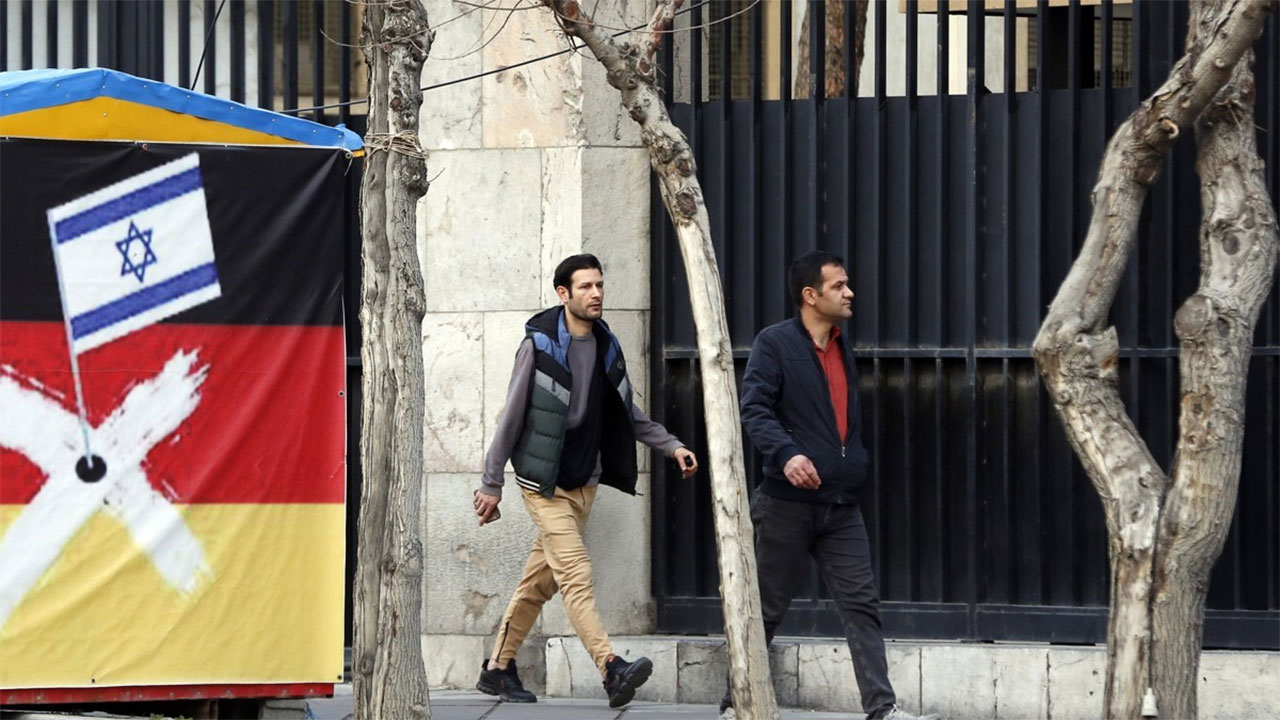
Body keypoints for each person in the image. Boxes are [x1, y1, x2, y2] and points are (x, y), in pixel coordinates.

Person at [473, 253, 699, 709]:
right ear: (564, 294)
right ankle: (611, 668)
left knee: (540, 581)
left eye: (599, 285)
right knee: (575, 574)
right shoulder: (539, 347)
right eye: (586, 287)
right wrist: (491, 483)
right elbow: (511, 416)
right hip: (543, 482)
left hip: (584, 482)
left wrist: (671, 445)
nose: (596, 293)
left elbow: (626, 413)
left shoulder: (606, 344)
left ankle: (497, 668)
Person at [726, 251, 940, 720]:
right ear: (811, 295)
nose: (849, 293)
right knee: (766, 609)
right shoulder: (775, 344)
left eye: (847, 284)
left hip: (841, 504)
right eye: (839, 286)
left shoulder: (843, 345)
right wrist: (787, 453)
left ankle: (882, 709)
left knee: (862, 605)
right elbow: (755, 409)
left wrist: (852, 462)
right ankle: (735, 703)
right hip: (787, 503)